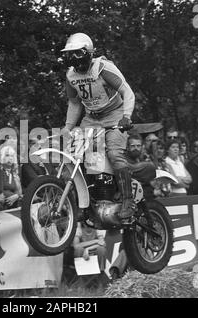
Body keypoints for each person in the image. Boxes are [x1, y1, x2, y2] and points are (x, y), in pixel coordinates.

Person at [60, 32, 136, 222]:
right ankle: (82, 199)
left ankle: (128, 200)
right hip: (91, 118)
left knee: (114, 154)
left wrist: (126, 116)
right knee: (74, 154)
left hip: (114, 114)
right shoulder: (71, 75)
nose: (73, 59)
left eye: (77, 53)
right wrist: (68, 127)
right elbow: (75, 103)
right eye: (70, 54)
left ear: (88, 52)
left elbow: (127, 91)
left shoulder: (102, 67)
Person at [0, 144, 22, 209]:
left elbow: (19, 192)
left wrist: (16, 196)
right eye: (7, 155)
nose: (10, 158)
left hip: (13, 206)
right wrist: (10, 196)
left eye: (12, 156)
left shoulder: (14, 173)